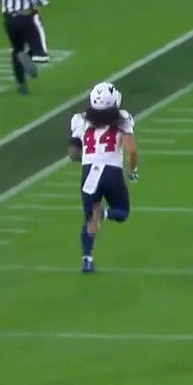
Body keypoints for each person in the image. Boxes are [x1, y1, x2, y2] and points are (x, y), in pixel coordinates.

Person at [67, 82, 138, 274]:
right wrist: (133, 170)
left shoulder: (79, 120)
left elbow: (73, 154)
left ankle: (87, 259)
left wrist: (91, 156)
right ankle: (105, 214)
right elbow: (132, 150)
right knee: (122, 212)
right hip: (112, 172)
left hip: (89, 172)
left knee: (90, 219)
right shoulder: (122, 118)